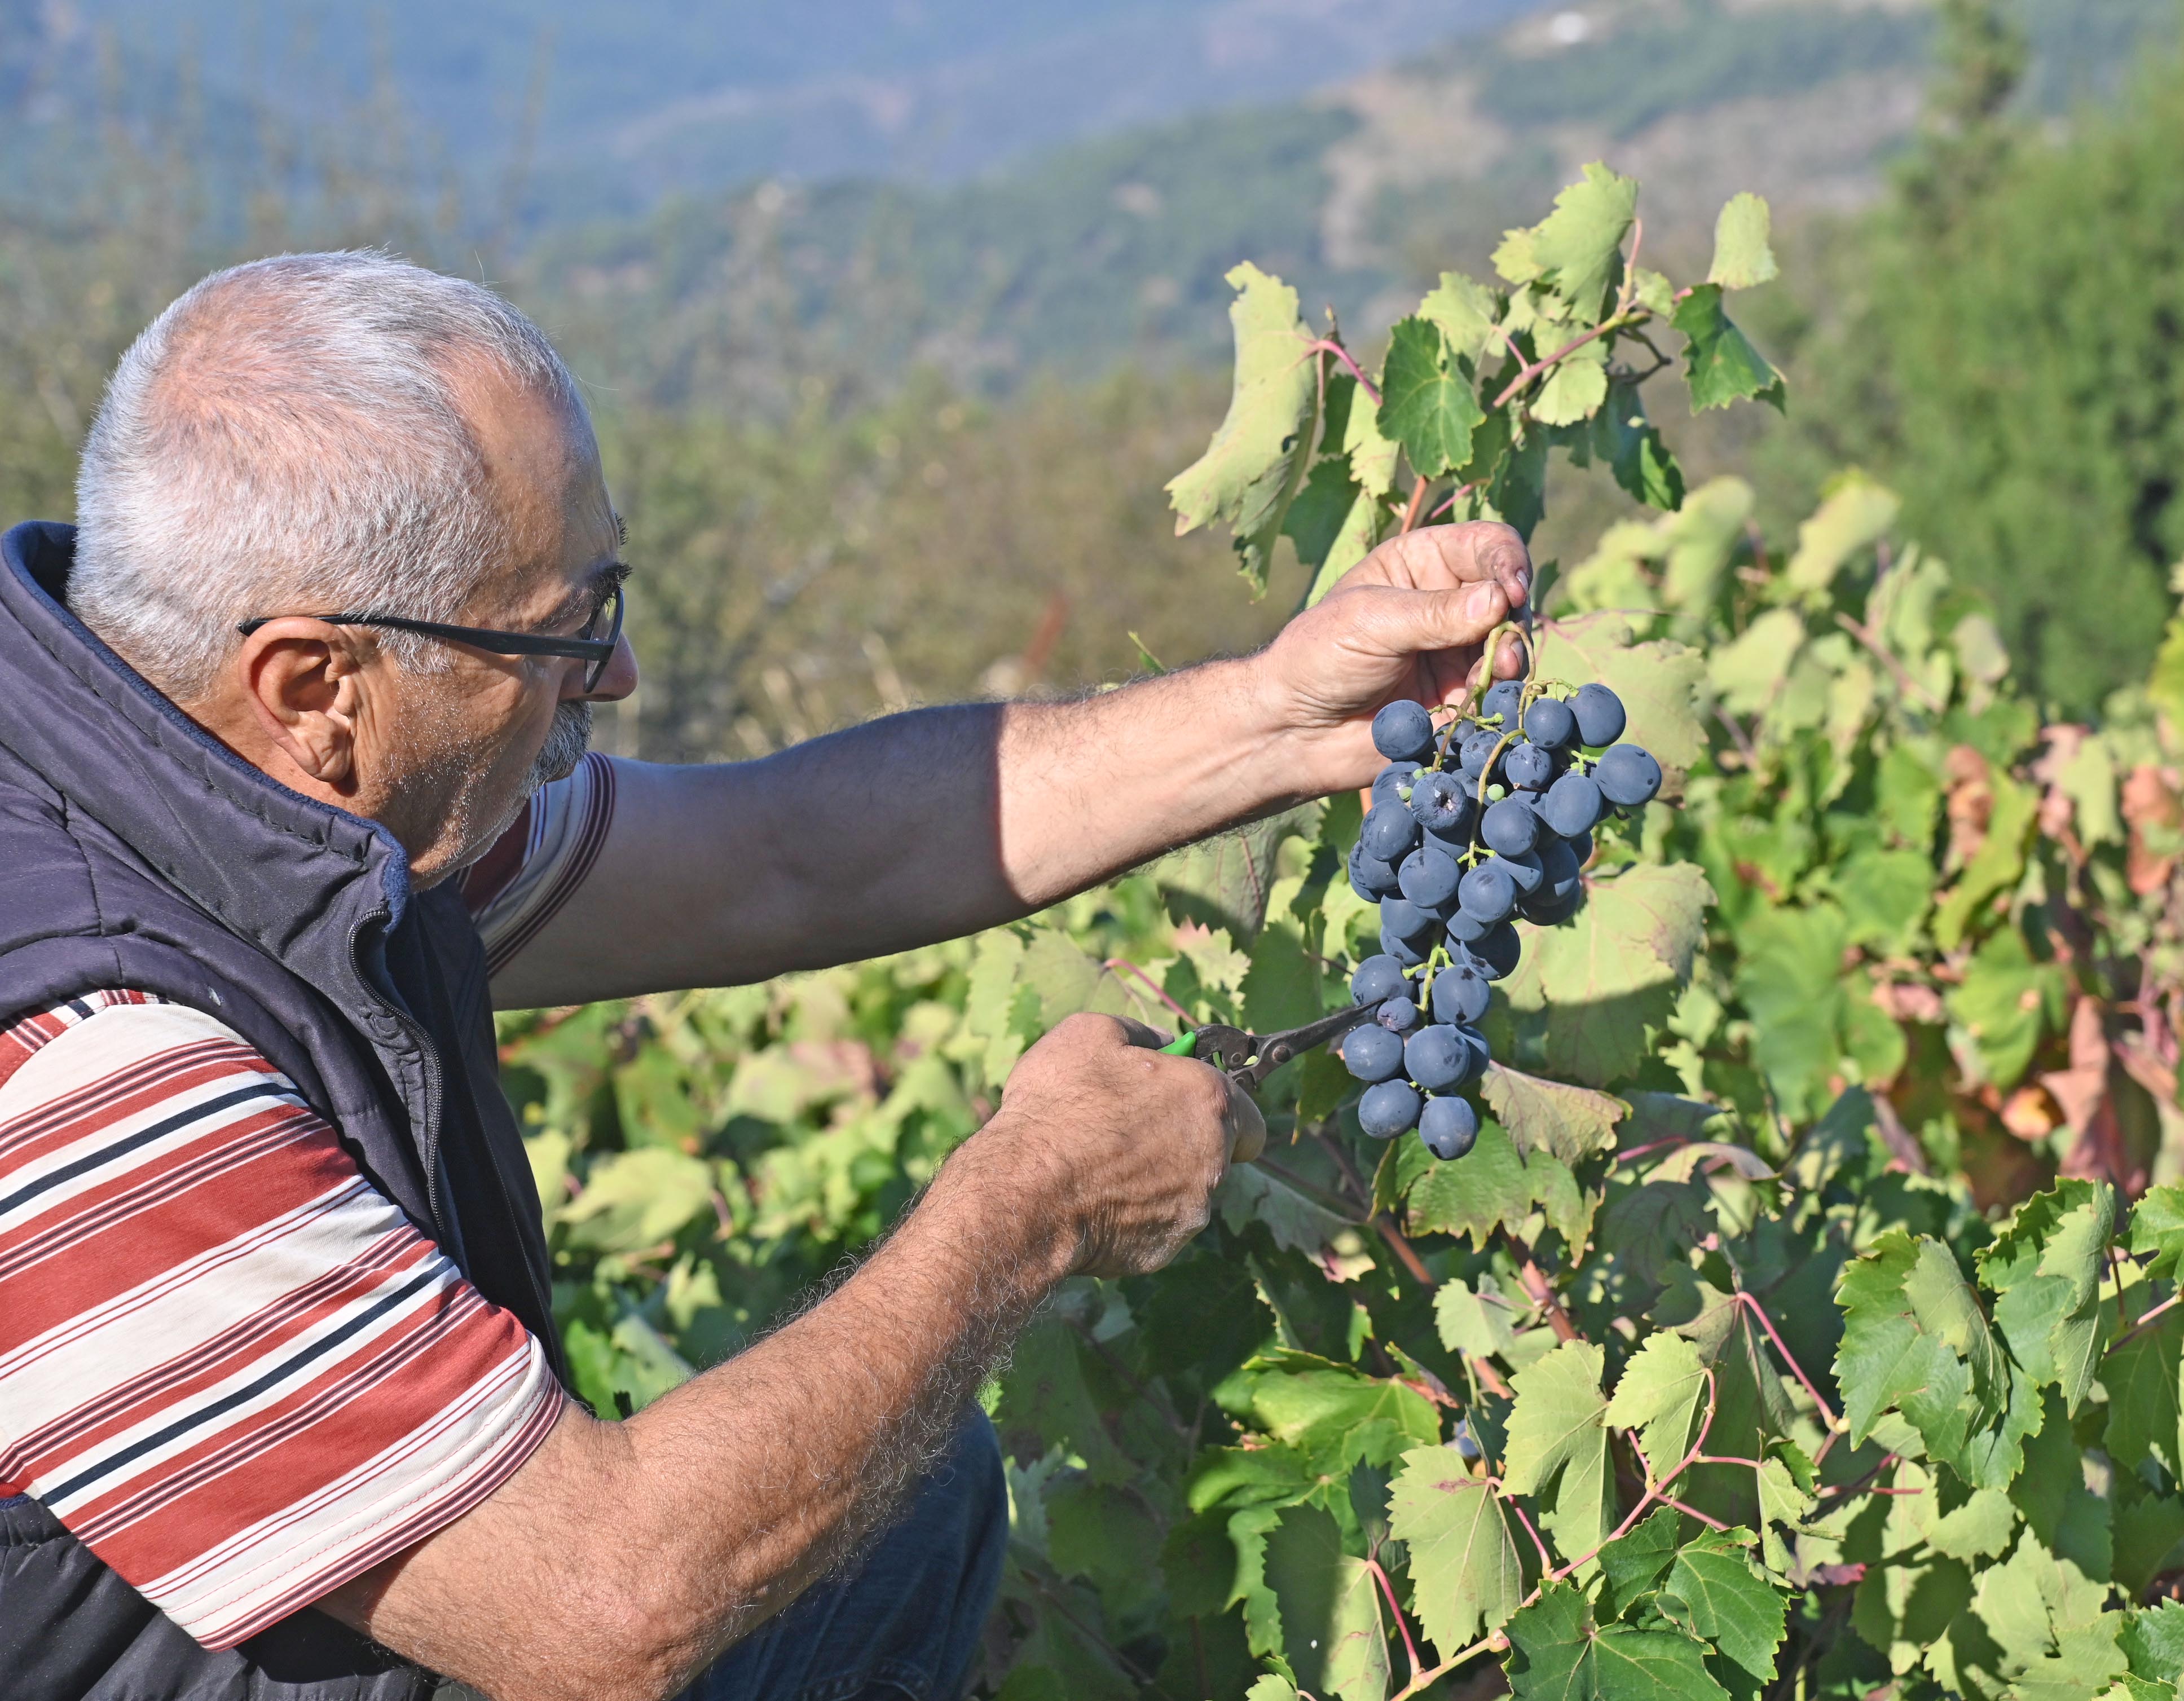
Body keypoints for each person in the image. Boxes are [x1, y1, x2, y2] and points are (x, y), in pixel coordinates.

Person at [0, 252, 1529, 1701]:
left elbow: (784, 856)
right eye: (560, 631)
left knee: (891, 1514)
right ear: (317, 684)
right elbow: (597, 1613)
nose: (617, 678)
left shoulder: (230, 786)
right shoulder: (90, 1067)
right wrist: (1028, 1209)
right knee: (792, 1523)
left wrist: (1278, 718)